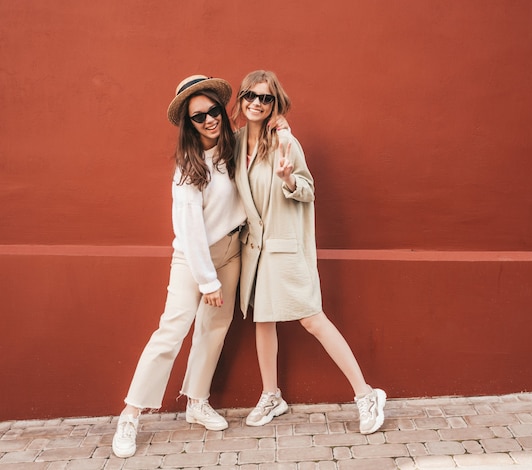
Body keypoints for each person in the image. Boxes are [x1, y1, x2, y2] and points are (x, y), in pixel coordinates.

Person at [232, 70, 386, 435]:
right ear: (240, 99)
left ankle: (366, 394)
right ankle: (272, 395)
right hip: (254, 249)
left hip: (285, 248)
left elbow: (307, 189)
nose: (256, 102)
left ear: (275, 105)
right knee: (263, 321)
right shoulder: (236, 142)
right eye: (250, 95)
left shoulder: (285, 142)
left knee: (312, 318)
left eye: (265, 98)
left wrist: (287, 178)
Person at [112, 75, 247, 458]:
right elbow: (189, 232)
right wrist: (207, 281)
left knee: (214, 329)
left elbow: (265, 143)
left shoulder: (235, 148)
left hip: (232, 251)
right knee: (172, 330)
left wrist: (279, 126)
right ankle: (131, 414)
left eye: (214, 111)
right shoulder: (189, 169)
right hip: (194, 258)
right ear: (188, 124)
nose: (209, 120)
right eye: (198, 116)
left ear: (223, 110)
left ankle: (197, 402)